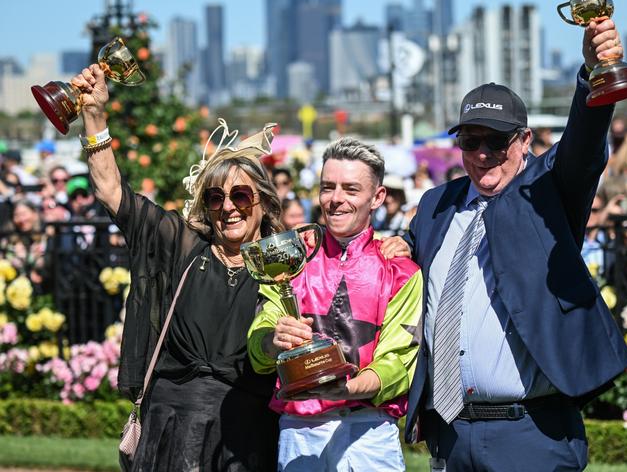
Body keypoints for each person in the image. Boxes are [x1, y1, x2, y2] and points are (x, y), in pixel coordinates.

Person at [381, 19, 627, 471]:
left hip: (531, 433)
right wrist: (391, 243)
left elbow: (582, 146)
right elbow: (402, 262)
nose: (482, 154)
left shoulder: (548, 190)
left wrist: (591, 74)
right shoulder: (437, 203)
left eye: (497, 141)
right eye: (471, 141)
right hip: (452, 435)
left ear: (525, 142)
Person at [70, 64, 284, 471]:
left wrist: (401, 243)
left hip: (247, 435)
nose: (228, 207)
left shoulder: (282, 265)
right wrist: (95, 115)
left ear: (264, 203)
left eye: (241, 195)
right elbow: (112, 192)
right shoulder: (181, 246)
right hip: (169, 425)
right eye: (216, 198)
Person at [247, 138, 423, 471]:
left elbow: (399, 364)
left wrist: (347, 388)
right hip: (300, 430)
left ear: (378, 197)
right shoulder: (290, 256)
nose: (336, 199)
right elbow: (259, 341)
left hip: (368, 430)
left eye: (351, 189)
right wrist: (273, 341)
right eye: (328, 187)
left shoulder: (401, 271)